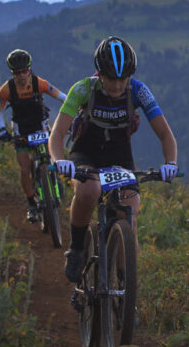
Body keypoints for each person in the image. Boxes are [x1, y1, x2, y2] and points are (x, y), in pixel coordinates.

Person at [48, 36, 178, 283]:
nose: (118, 85)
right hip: (86, 151)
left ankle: (125, 286)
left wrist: (170, 163)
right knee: (89, 190)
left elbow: (165, 133)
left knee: (130, 211)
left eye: (123, 78)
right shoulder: (83, 89)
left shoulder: (138, 90)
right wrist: (59, 159)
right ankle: (76, 249)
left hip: (120, 155)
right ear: (100, 74)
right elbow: (57, 134)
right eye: (111, 78)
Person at [0, 49, 67, 222]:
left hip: (40, 124)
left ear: (29, 69)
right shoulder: (6, 89)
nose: (21, 75)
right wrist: (2, 129)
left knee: (51, 152)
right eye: (17, 72)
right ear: (12, 73)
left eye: (24, 71)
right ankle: (32, 204)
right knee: (24, 168)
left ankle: (54, 176)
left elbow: (61, 96)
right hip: (21, 129)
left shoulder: (39, 83)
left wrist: (75, 111)